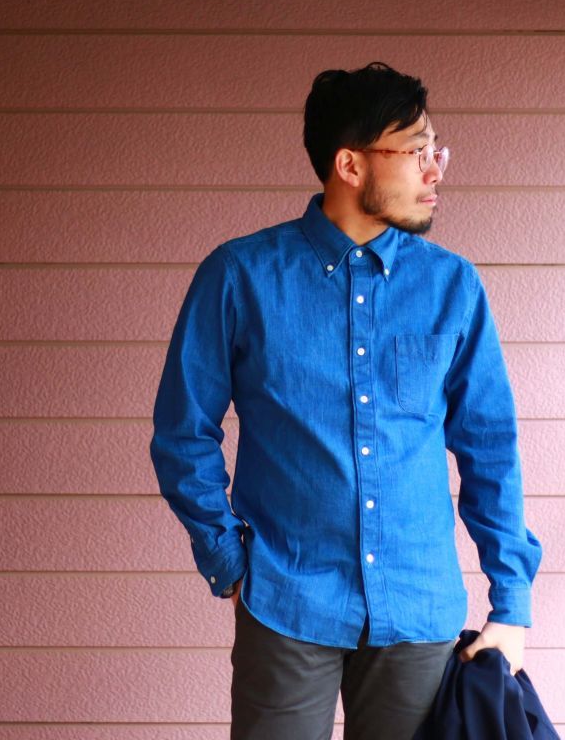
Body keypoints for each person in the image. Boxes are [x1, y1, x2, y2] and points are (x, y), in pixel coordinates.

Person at [149, 61, 543, 740]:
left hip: (417, 611)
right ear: (350, 164)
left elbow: (490, 449)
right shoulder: (240, 276)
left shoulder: (452, 286)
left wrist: (511, 603)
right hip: (286, 602)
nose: (434, 170)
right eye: (415, 152)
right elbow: (183, 432)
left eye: (436, 151)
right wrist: (229, 562)